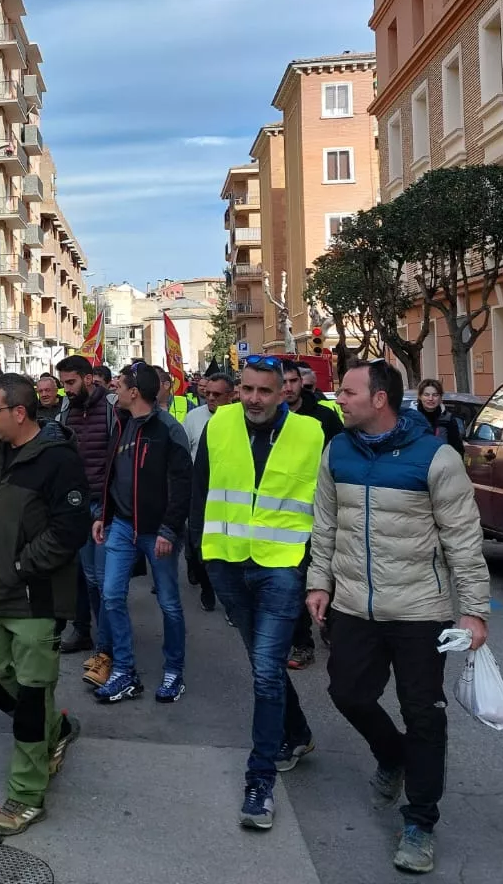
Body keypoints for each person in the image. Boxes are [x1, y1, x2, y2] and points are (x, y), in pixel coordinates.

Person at [308, 361, 491, 875]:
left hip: (418, 613)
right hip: (353, 607)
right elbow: (325, 525)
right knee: (347, 694)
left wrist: (474, 611)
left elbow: (463, 540)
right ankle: (392, 756)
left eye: (347, 391)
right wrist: (319, 582)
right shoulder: (337, 449)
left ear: (380, 399)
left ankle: (420, 823)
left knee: (424, 716)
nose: (337, 398)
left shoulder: (436, 458)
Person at [193, 355, 322, 832]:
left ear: (283, 392)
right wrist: (199, 554)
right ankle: (300, 734)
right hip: (226, 561)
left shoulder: (311, 433)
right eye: (246, 389)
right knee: (261, 665)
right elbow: (201, 485)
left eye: (264, 391)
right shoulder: (221, 422)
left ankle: (260, 781)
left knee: (266, 673)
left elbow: (324, 503)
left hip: (280, 568)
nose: (253, 399)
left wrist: (316, 569)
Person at [0, 373, 92, 837]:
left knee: (31, 695)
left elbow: (69, 530)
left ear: (19, 412)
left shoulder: (59, 461)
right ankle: (54, 731)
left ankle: (26, 794)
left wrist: (21, 567)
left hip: (34, 598)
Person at [94, 363, 191, 704]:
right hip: (121, 525)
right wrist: (103, 515)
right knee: (111, 595)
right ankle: (124, 671)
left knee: (168, 603)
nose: (115, 390)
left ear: (135, 392)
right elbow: (113, 474)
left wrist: (168, 529)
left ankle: (173, 671)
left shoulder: (168, 429)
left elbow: (182, 485)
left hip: (158, 532)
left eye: (119, 385)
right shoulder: (121, 424)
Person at [281, 362, 345, 670]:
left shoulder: (323, 416)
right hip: (284, 515)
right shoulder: (268, 418)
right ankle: (301, 644)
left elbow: (341, 456)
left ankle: (330, 623)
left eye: (293, 381)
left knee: (327, 573)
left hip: (323, 510)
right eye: (283, 382)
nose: (289, 387)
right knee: (293, 583)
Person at [57, 355, 115, 679]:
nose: (66, 390)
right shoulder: (66, 411)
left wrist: (110, 505)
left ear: (89, 378)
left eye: (71, 383)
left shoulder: (110, 409)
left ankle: (107, 650)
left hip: (104, 507)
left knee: (106, 582)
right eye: (63, 383)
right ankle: (98, 640)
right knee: (89, 579)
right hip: (78, 505)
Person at [181, 371, 235, 613]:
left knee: (225, 549)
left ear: (231, 395)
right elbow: (183, 456)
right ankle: (206, 587)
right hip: (199, 490)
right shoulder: (193, 418)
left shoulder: (240, 419)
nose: (210, 398)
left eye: (217, 394)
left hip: (231, 494)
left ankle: (229, 597)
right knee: (198, 545)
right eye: (207, 393)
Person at [413, 379, 465, 455]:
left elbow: (457, 449)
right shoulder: (412, 419)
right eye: (426, 395)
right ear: (420, 397)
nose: (430, 399)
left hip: (441, 464)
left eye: (435, 395)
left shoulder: (448, 419)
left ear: (440, 397)